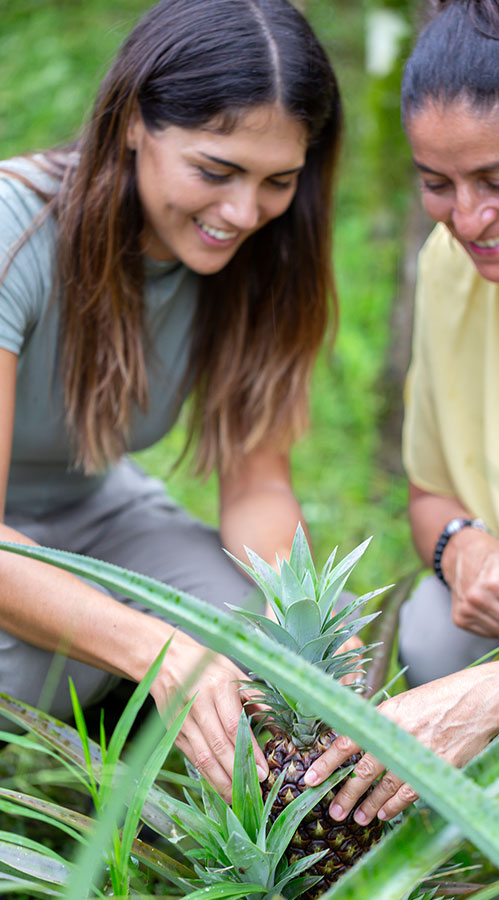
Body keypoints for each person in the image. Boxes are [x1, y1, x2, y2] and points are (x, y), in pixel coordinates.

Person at [0, 0, 342, 801]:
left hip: (97, 516)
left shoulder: (264, 254)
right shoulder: (16, 226)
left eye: (277, 181)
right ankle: (122, 690)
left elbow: (259, 485)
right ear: (132, 122)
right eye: (215, 170)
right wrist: (152, 646)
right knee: (38, 666)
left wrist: (295, 652)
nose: (241, 213)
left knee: (276, 645)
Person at [304, 0, 499, 832]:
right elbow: (430, 493)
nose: (469, 221)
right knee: (438, 628)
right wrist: (459, 546)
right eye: (438, 183)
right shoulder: (451, 266)